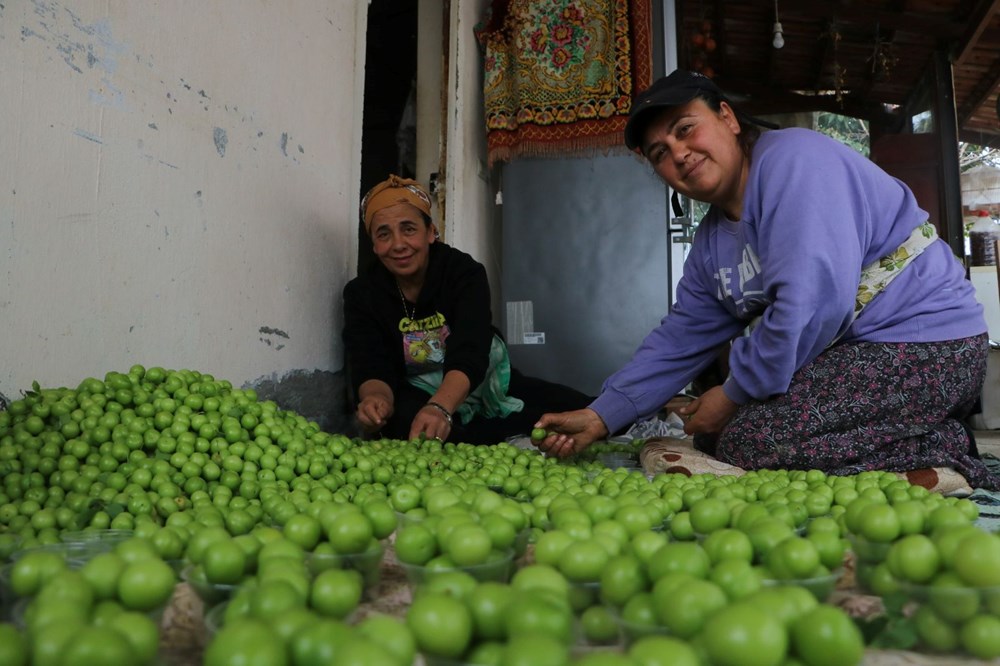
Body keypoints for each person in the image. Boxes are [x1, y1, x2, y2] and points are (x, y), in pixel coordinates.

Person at [534, 69, 999, 489]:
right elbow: (679, 338)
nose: (679, 152)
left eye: (685, 129)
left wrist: (733, 392)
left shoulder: (794, 161)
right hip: (864, 355)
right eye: (660, 152)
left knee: (752, 442)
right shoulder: (711, 243)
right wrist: (601, 414)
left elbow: (812, 301)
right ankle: (920, 433)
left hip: (930, 345)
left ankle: (945, 450)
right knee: (730, 438)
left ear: (728, 119)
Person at [343, 174, 592, 445]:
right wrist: (376, 400)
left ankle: (502, 428)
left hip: (483, 381)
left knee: (585, 410)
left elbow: (469, 351)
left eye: (409, 229)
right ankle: (506, 432)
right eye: (384, 234)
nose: (399, 244)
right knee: (407, 424)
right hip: (417, 389)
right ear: (374, 246)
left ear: (430, 233)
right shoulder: (363, 293)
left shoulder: (463, 273)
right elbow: (370, 362)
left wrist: (440, 407)